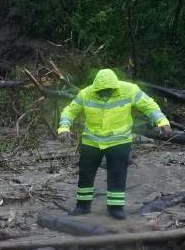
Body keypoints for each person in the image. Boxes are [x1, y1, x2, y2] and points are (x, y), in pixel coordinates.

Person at [58, 69, 172, 220]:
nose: (104, 93)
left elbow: (149, 106)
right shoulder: (86, 93)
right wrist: (64, 128)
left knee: (117, 173)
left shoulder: (130, 90)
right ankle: (83, 206)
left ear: (115, 86)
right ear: (95, 88)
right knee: (85, 173)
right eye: (101, 91)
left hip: (119, 140)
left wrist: (162, 122)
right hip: (92, 141)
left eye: (108, 90)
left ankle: (115, 208)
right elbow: (69, 111)